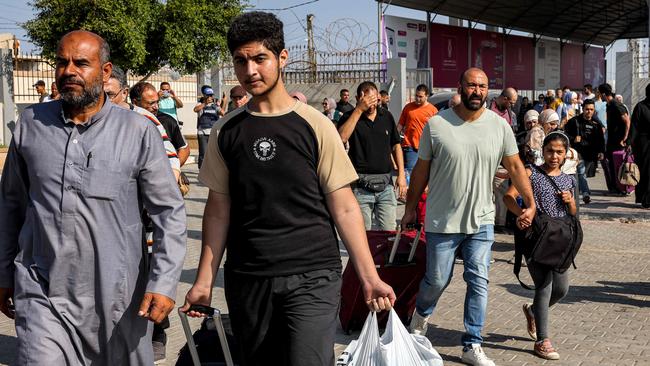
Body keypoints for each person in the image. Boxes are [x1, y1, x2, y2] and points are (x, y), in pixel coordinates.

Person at [181, 12, 395, 366]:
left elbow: (343, 206)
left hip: (312, 274)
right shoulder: (226, 131)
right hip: (248, 276)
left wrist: (368, 277)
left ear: (282, 58)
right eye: (240, 61)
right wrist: (204, 281)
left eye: (260, 58)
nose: (250, 70)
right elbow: (218, 209)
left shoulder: (316, 125)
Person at [0, 30, 186, 365]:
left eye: (81, 63)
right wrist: (2, 273)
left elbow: (169, 212)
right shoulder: (31, 124)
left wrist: (164, 282)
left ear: (104, 71)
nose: (68, 70)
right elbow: (10, 205)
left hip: (118, 297)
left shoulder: (138, 131)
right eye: (62, 62)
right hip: (42, 291)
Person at [402, 68, 536, 366]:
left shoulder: (498, 127)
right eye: (472, 85)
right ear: (460, 88)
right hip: (442, 219)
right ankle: (420, 317)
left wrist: (530, 201)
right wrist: (410, 208)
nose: (477, 91)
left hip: (481, 220)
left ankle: (472, 344)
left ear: (488, 90)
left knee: (479, 281)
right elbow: (421, 171)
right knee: (437, 280)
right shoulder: (436, 125)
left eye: (482, 86)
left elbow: (514, 166)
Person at [503, 132, 577, 361]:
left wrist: (571, 202)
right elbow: (508, 196)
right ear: (542, 150)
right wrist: (521, 214)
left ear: (566, 155)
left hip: (561, 239)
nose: (554, 156)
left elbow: (574, 214)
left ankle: (534, 311)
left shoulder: (569, 179)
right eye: (550, 151)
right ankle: (542, 341)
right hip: (536, 237)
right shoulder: (530, 172)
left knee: (561, 289)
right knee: (543, 287)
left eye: (559, 152)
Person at [338, 81, 407, 229]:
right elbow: (342, 138)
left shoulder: (386, 116)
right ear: (358, 98)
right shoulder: (350, 117)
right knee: (363, 236)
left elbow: (396, 146)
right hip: (360, 187)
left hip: (386, 186)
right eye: (368, 100)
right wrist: (358, 110)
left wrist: (401, 175)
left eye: (375, 100)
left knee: (389, 233)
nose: (372, 105)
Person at [564, 99, 606, 204]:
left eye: (591, 109)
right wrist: (573, 138)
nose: (589, 111)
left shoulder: (596, 124)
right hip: (578, 152)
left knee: (582, 174)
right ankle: (586, 193)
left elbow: (601, 139)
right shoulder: (574, 121)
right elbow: (565, 134)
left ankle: (576, 192)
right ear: (583, 109)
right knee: (581, 173)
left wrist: (601, 151)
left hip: (591, 153)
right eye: (587, 109)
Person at [397, 84, 438, 183]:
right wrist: (393, 138)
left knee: (425, 173)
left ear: (426, 96)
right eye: (416, 96)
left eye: (420, 97)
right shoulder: (408, 108)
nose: (417, 99)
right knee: (410, 171)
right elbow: (400, 125)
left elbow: (437, 130)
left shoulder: (433, 110)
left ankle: (423, 195)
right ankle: (407, 194)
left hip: (426, 146)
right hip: (410, 145)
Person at [599, 83, 631, 194]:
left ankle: (621, 188)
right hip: (611, 141)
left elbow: (627, 121)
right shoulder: (609, 105)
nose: (599, 96)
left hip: (618, 142)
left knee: (618, 166)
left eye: (599, 94)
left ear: (603, 94)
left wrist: (625, 138)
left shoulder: (616, 105)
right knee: (610, 165)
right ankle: (614, 188)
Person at [194, 85, 223, 168]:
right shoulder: (200, 104)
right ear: (204, 95)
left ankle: (212, 170)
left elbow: (223, 113)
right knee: (203, 153)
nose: (210, 97)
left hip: (213, 132)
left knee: (214, 153)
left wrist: (222, 103)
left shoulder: (215, 105)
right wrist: (205, 103)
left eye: (211, 95)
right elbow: (195, 110)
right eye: (208, 95)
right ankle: (202, 171)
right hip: (202, 133)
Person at [631, 83, 650, 208]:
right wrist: (629, 143)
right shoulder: (641, 107)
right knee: (646, 172)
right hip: (644, 145)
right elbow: (634, 128)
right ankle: (646, 199)